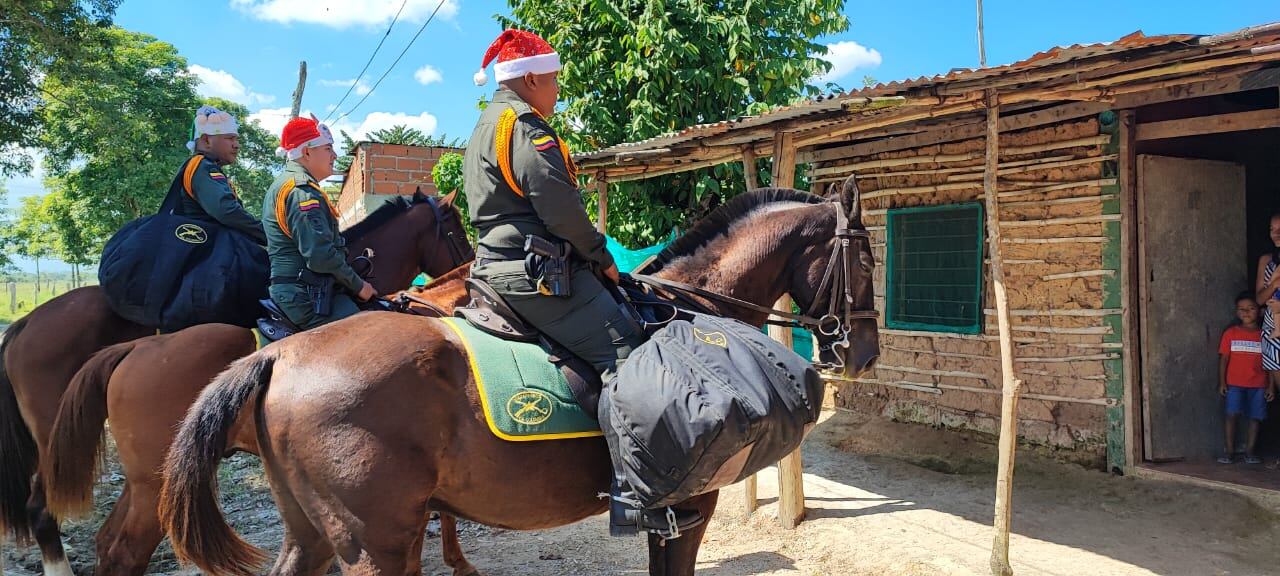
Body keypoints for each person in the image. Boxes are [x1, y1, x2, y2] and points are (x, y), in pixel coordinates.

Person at [465, 29, 701, 538]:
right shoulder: (527, 126)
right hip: (534, 273)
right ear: (530, 78)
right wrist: (601, 258)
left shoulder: (487, 122)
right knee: (631, 353)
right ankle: (635, 496)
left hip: (495, 265)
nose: (557, 90)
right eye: (553, 80)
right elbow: (561, 211)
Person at [262, 115, 376, 330]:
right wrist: (359, 285)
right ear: (306, 152)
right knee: (369, 333)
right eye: (328, 149)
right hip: (305, 297)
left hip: (303, 290)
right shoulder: (302, 191)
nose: (334, 155)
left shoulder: (290, 184)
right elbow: (320, 256)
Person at [182, 105, 268, 245]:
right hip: (206, 256)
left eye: (236, 139)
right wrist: (269, 235)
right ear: (206, 141)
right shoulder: (203, 166)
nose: (236, 145)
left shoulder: (205, 166)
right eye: (230, 138)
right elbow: (226, 211)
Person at [1218, 291, 1274, 464]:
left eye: (1250, 308)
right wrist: (1222, 382)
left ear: (1260, 311)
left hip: (1258, 385)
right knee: (1231, 415)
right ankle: (1229, 452)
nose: (1246, 312)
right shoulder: (1230, 333)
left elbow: (1271, 363)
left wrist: (1271, 386)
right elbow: (1224, 359)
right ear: (1236, 312)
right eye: (1241, 309)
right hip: (1234, 384)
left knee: (1255, 417)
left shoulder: (1265, 335)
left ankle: (1249, 452)